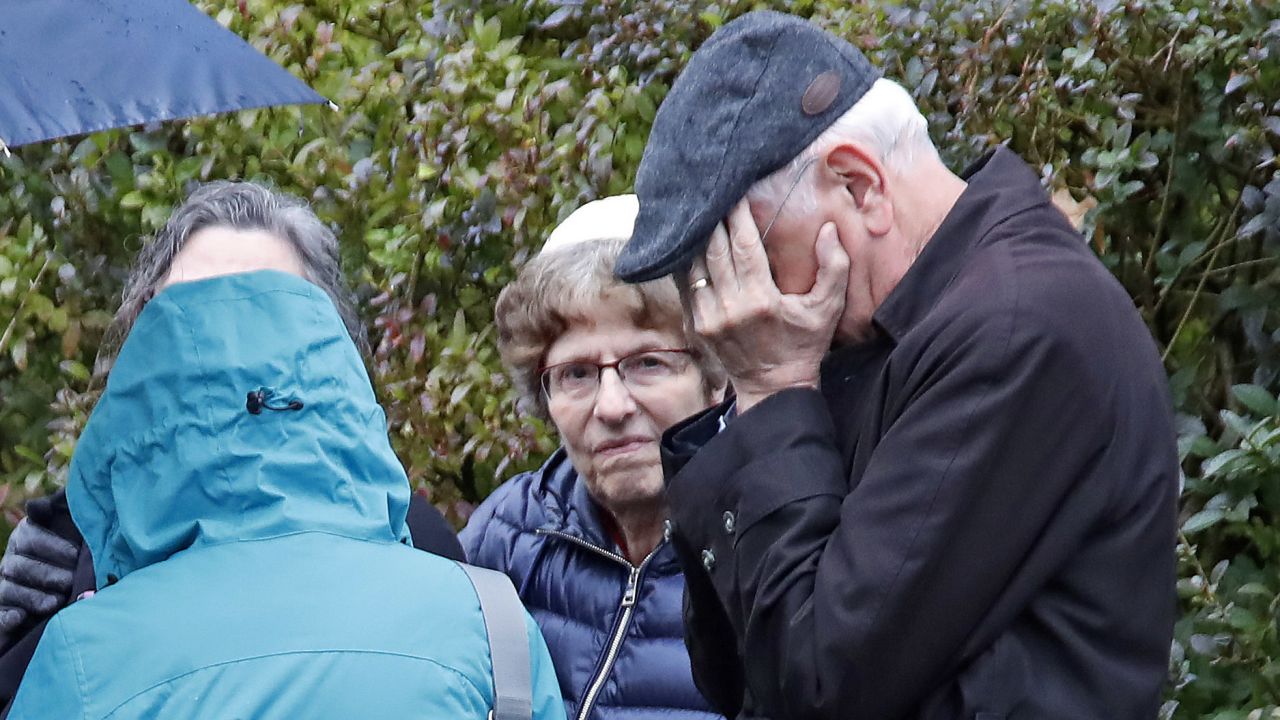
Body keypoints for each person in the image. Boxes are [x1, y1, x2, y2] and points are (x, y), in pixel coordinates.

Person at [613, 11, 1178, 720]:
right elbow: (735, 675)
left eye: (744, 253)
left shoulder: (1015, 329)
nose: (726, 307)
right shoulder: (895, 330)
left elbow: (823, 683)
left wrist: (772, 391)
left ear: (857, 186)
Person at [5, 181, 565, 719]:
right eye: (189, 311)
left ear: (326, 338)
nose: (229, 337)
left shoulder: (423, 543)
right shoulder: (68, 554)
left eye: (266, 305)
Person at [461, 195, 728, 720]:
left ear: (715, 375)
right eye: (577, 374)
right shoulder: (507, 537)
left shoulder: (765, 542)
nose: (611, 406)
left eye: (648, 363)